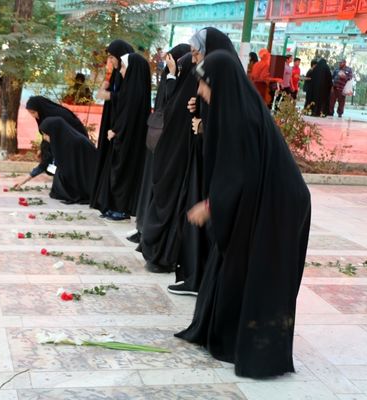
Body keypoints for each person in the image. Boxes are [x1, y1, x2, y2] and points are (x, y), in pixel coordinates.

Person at [176, 50, 311, 379]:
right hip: (263, 198)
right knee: (234, 263)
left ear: (218, 83)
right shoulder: (236, 108)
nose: (201, 92)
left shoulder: (241, 117)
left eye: (204, 85)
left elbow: (240, 175)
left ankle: (258, 349)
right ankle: (224, 332)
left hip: (279, 205)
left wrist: (210, 206)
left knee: (257, 272)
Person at [168, 27, 240, 295]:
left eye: (198, 53)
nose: (195, 59)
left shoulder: (227, 85)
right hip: (205, 164)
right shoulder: (211, 81)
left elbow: (229, 136)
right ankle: (196, 277)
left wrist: (203, 126)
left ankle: (204, 281)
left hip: (218, 176)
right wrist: (197, 110)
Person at [128, 43, 191, 245]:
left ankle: (147, 230)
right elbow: (166, 103)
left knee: (157, 187)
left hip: (164, 142)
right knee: (149, 184)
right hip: (157, 140)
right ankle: (142, 227)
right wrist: (172, 76)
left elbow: (172, 105)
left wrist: (174, 76)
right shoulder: (169, 77)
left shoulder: (179, 79)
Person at [94, 53, 151, 221]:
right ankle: (115, 207)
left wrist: (116, 131)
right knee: (117, 171)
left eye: (125, 67)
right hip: (122, 138)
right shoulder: (129, 88)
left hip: (128, 140)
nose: (122, 71)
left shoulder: (135, 91)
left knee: (123, 172)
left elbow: (129, 118)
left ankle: (121, 209)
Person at [90, 39, 135, 215]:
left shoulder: (129, 74)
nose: (111, 61)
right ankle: (105, 201)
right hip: (112, 123)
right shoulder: (116, 74)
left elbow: (123, 100)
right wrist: (108, 76)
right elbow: (101, 94)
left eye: (112, 57)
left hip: (121, 127)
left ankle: (117, 206)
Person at [13, 96, 88, 189]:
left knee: (61, 164)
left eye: (33, 112)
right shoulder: (46, 120)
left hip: (76, 144)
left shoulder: (59, 116)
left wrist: (23, 181)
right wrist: (43, 149)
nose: (33, 116)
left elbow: (45, 161)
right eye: (30, 113)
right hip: (66, 141)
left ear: (40, 108)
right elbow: (46, 139)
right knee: (51, 161)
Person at [39, 117, 98, 204]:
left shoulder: (75, 142)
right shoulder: (64, 140)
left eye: (46, 134)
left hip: (86, 177)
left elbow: (78, 166)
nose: (44, 137)